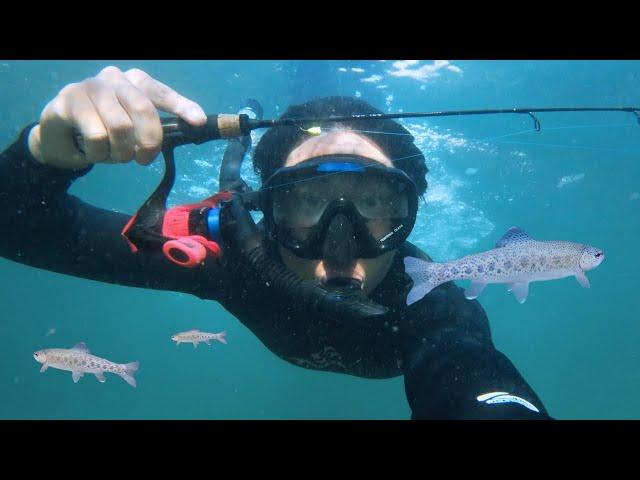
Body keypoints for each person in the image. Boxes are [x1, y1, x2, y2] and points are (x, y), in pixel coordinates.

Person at [0, 66, 551, 419]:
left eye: (372, 206)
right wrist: (42, 155)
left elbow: (473, 376)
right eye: (307, 203)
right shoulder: (231, 257)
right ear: (265, 213)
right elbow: (16, 227)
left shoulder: (433, 306)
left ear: (406, 219)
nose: (342, 244)